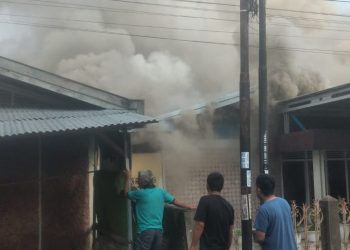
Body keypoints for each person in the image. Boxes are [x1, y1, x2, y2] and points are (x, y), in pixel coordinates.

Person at [123, 169, 194, 250]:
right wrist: (189, 206)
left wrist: (127, 177)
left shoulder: (140, 193)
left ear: (142, 182)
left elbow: (126, 193)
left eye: (138, 180)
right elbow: (175, 201)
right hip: (158, 232)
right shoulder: (160, 191)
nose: (138, 182)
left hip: (145, 231)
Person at [189, 172, 234, 250]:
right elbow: (230, 231)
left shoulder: (204, 201)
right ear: (222, 186)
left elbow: (199, 225)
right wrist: (227, 247)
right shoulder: (229, 207)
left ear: (207, 185)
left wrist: (193, 245)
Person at [254, 174, 297, 250]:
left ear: (259, 190)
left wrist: (254, 233)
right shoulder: (284, 202)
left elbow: (260, 237)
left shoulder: (263, 210)